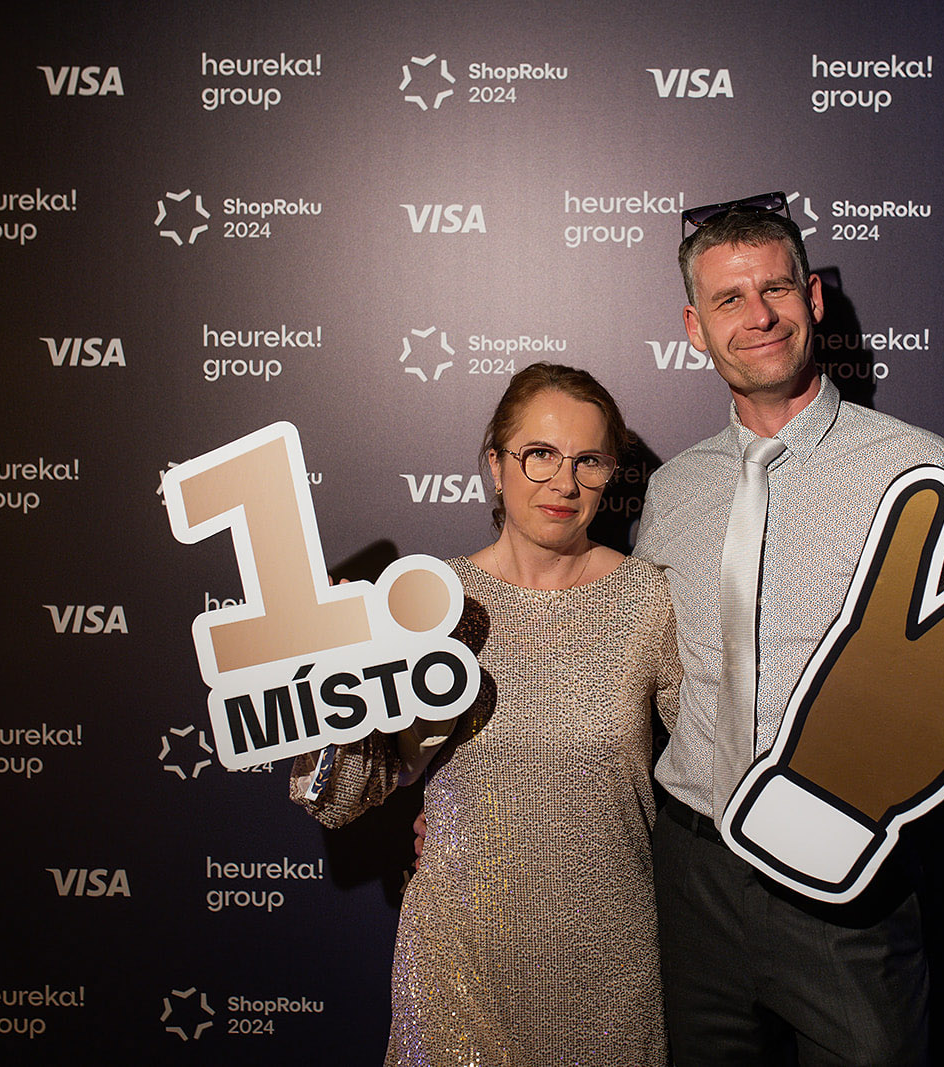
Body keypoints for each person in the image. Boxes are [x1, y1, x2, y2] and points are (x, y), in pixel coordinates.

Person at [633, 194, 944, 1065]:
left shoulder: (919, 469)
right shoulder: (673, 489)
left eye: (777, 288)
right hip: (693, 870)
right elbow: (632, 673)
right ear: (695, 327)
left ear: (813, 299)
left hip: (844, 875)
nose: (758, 315)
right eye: (729, 298)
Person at [290, 363, 680, 1067]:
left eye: (588, 461)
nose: (564, 483)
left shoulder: (651, 602)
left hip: (608, 970)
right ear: (496, 466)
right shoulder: (427, 605)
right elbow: (337, 801)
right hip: (456, 970)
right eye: (540, 454)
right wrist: (338, 683)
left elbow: (714, 772)